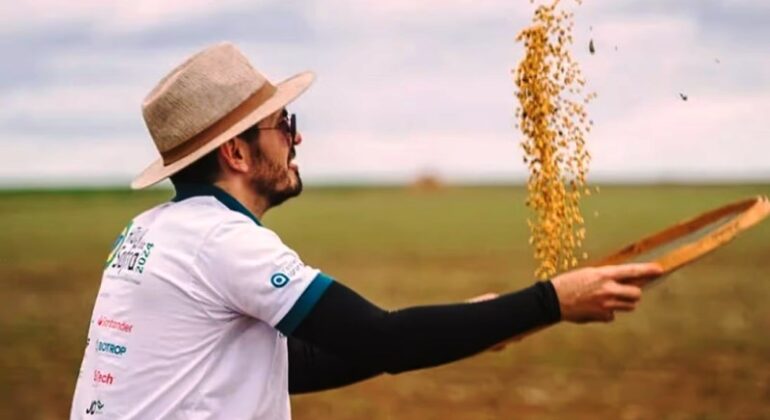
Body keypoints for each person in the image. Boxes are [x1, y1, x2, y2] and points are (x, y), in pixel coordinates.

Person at [70, 42, 662, 419]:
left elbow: (297, 364)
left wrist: (472, 325)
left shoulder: (154, 231)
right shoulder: (222, 243)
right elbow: (383, 340)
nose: (297, 138)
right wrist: (553, 301)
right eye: (283, 124)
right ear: (238, 153)